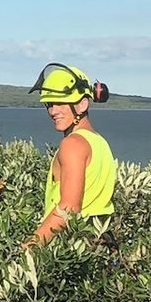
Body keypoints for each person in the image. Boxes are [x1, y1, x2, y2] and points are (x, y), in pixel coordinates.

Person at [25, 63, 115, 246]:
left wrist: (29, 248)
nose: (53, 111)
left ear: (82, 104)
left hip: (72, 246)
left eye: (60, 103)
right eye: (49, 104)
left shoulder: (72, 144)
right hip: (99, 241)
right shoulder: (99, 142)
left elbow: (68, 208)